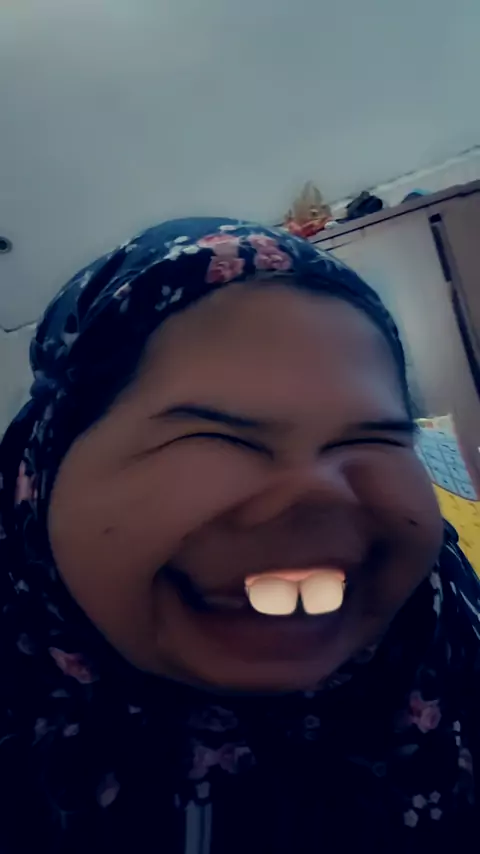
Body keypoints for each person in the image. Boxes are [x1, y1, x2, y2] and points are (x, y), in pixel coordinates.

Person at [0, 217, 478, 853]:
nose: (320, 493)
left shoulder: (450, 634)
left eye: (373, 439)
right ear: (39, 481)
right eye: (216, 437)